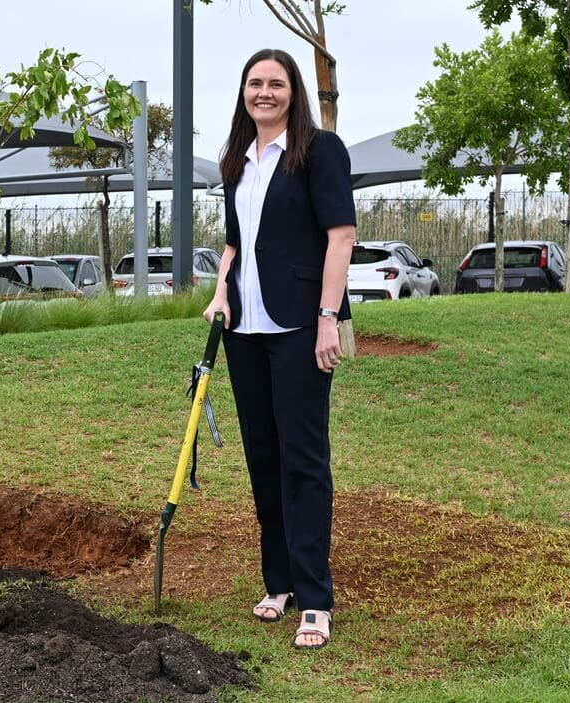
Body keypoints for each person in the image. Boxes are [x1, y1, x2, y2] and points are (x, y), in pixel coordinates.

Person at [202, 48, 356, 650]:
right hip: (245, 331)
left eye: (276, 83)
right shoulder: (236, 159)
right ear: (243, 92)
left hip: (299, 327)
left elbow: (340, 237)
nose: (264, 92)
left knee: (303, 460)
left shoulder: (320, 151)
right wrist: (221, 292)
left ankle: (315, 598)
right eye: (254, 83)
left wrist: (327, 319)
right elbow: (235, 244)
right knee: (263, 457)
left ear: (294, 92)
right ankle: (280, 581)